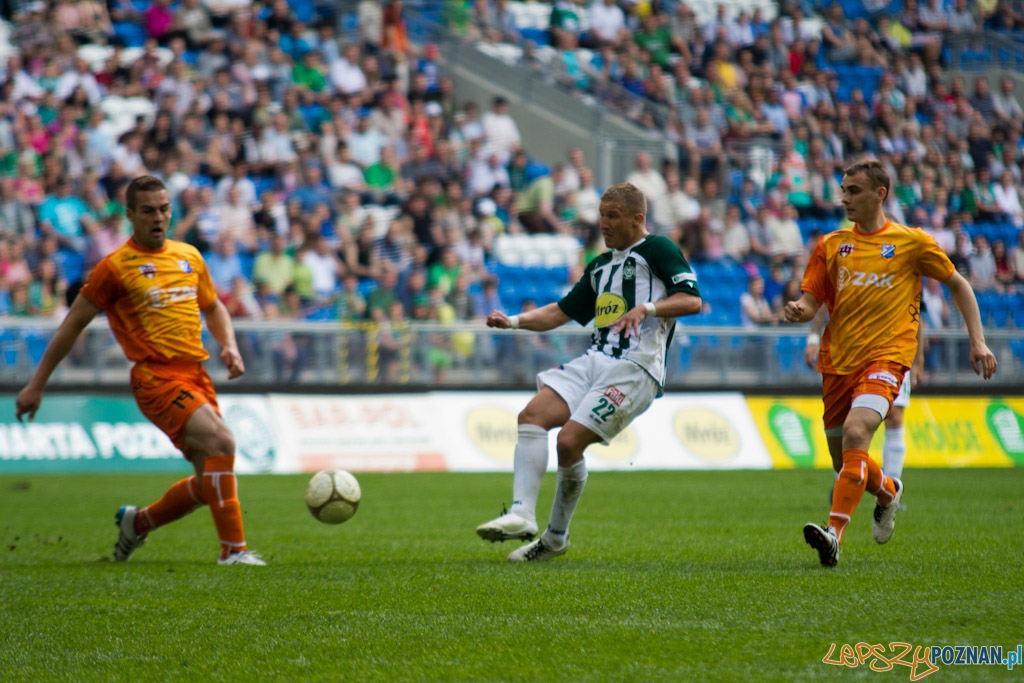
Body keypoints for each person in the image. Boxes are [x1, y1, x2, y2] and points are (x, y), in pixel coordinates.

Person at [14, 176, 265, 567]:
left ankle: (138, 522)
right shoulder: (114, 268)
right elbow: (72, 325)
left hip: (196, 374)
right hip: (155, 378)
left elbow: (214, 307)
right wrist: (36, 384)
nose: (158, 217)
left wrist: (229, 345)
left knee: (209, 483)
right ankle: (233, 552)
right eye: (148, 211)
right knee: (222, 441)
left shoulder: (189, 256)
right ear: (130, 215)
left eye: (164, 209)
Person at [784, 159, 997, 568]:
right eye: (843, 190)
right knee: (845, 461)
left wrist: (978, 342)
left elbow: (959, 284)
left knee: (856, 431)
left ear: (880, 194)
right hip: (838, 362)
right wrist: (799, 309)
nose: (844, 199)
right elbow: (812, 301)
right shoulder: (830, 245)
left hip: (887, 357)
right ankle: (887, 491)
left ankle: (833, 535)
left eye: (854, 191)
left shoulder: (911, 242)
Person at [475, 183, 703, 561]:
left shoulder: (659, 249)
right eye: (601, 215)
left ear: (638, 219)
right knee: (531, 416)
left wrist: (646, 308)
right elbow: (559, 312)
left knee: (568, 442)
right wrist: (512, 321)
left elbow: (692, 300)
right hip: (596, 359)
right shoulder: (599, 266)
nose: (603, 223)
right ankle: (521, 514)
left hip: (636, 367)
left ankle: (555, 538)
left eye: (613, 216)